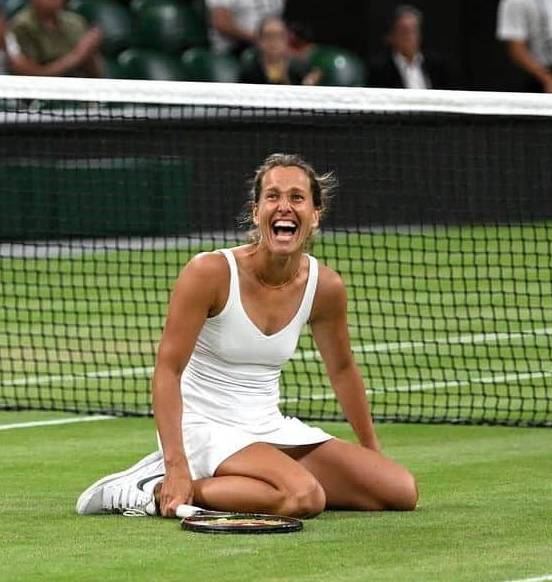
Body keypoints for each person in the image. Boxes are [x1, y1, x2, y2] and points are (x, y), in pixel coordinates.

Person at [77, 153, 418, 518]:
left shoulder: (326, 287)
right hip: (202, 428)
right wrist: (176, 463)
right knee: (304, 497)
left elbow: (343, 369)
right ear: (256, 212)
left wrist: (370, 450)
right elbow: (168, 370)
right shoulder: (209, 272)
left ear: (315, 215)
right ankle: (154, 486)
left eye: (297, 198)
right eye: (272, 197)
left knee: (399, 491)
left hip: (269, 428)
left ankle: (242, 482)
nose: (284, 206)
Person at [8, 0, 103, 77]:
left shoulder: (76, 22)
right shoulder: (21, 27)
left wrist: (91, 53)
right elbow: (33, 77)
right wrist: (78, 55)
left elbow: (97, 77)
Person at [368, 5, 452, 90]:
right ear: (392, 35)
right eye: (404, 31)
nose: (409, 36)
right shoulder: (380, 69)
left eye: (414, 30)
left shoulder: (436, 65)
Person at [242, 16, 322, 85]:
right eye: (268, 36)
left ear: (286, 39)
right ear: (259, 40)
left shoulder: (299, 68)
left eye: (279, 36)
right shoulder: (249, 72)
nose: (273, 41)